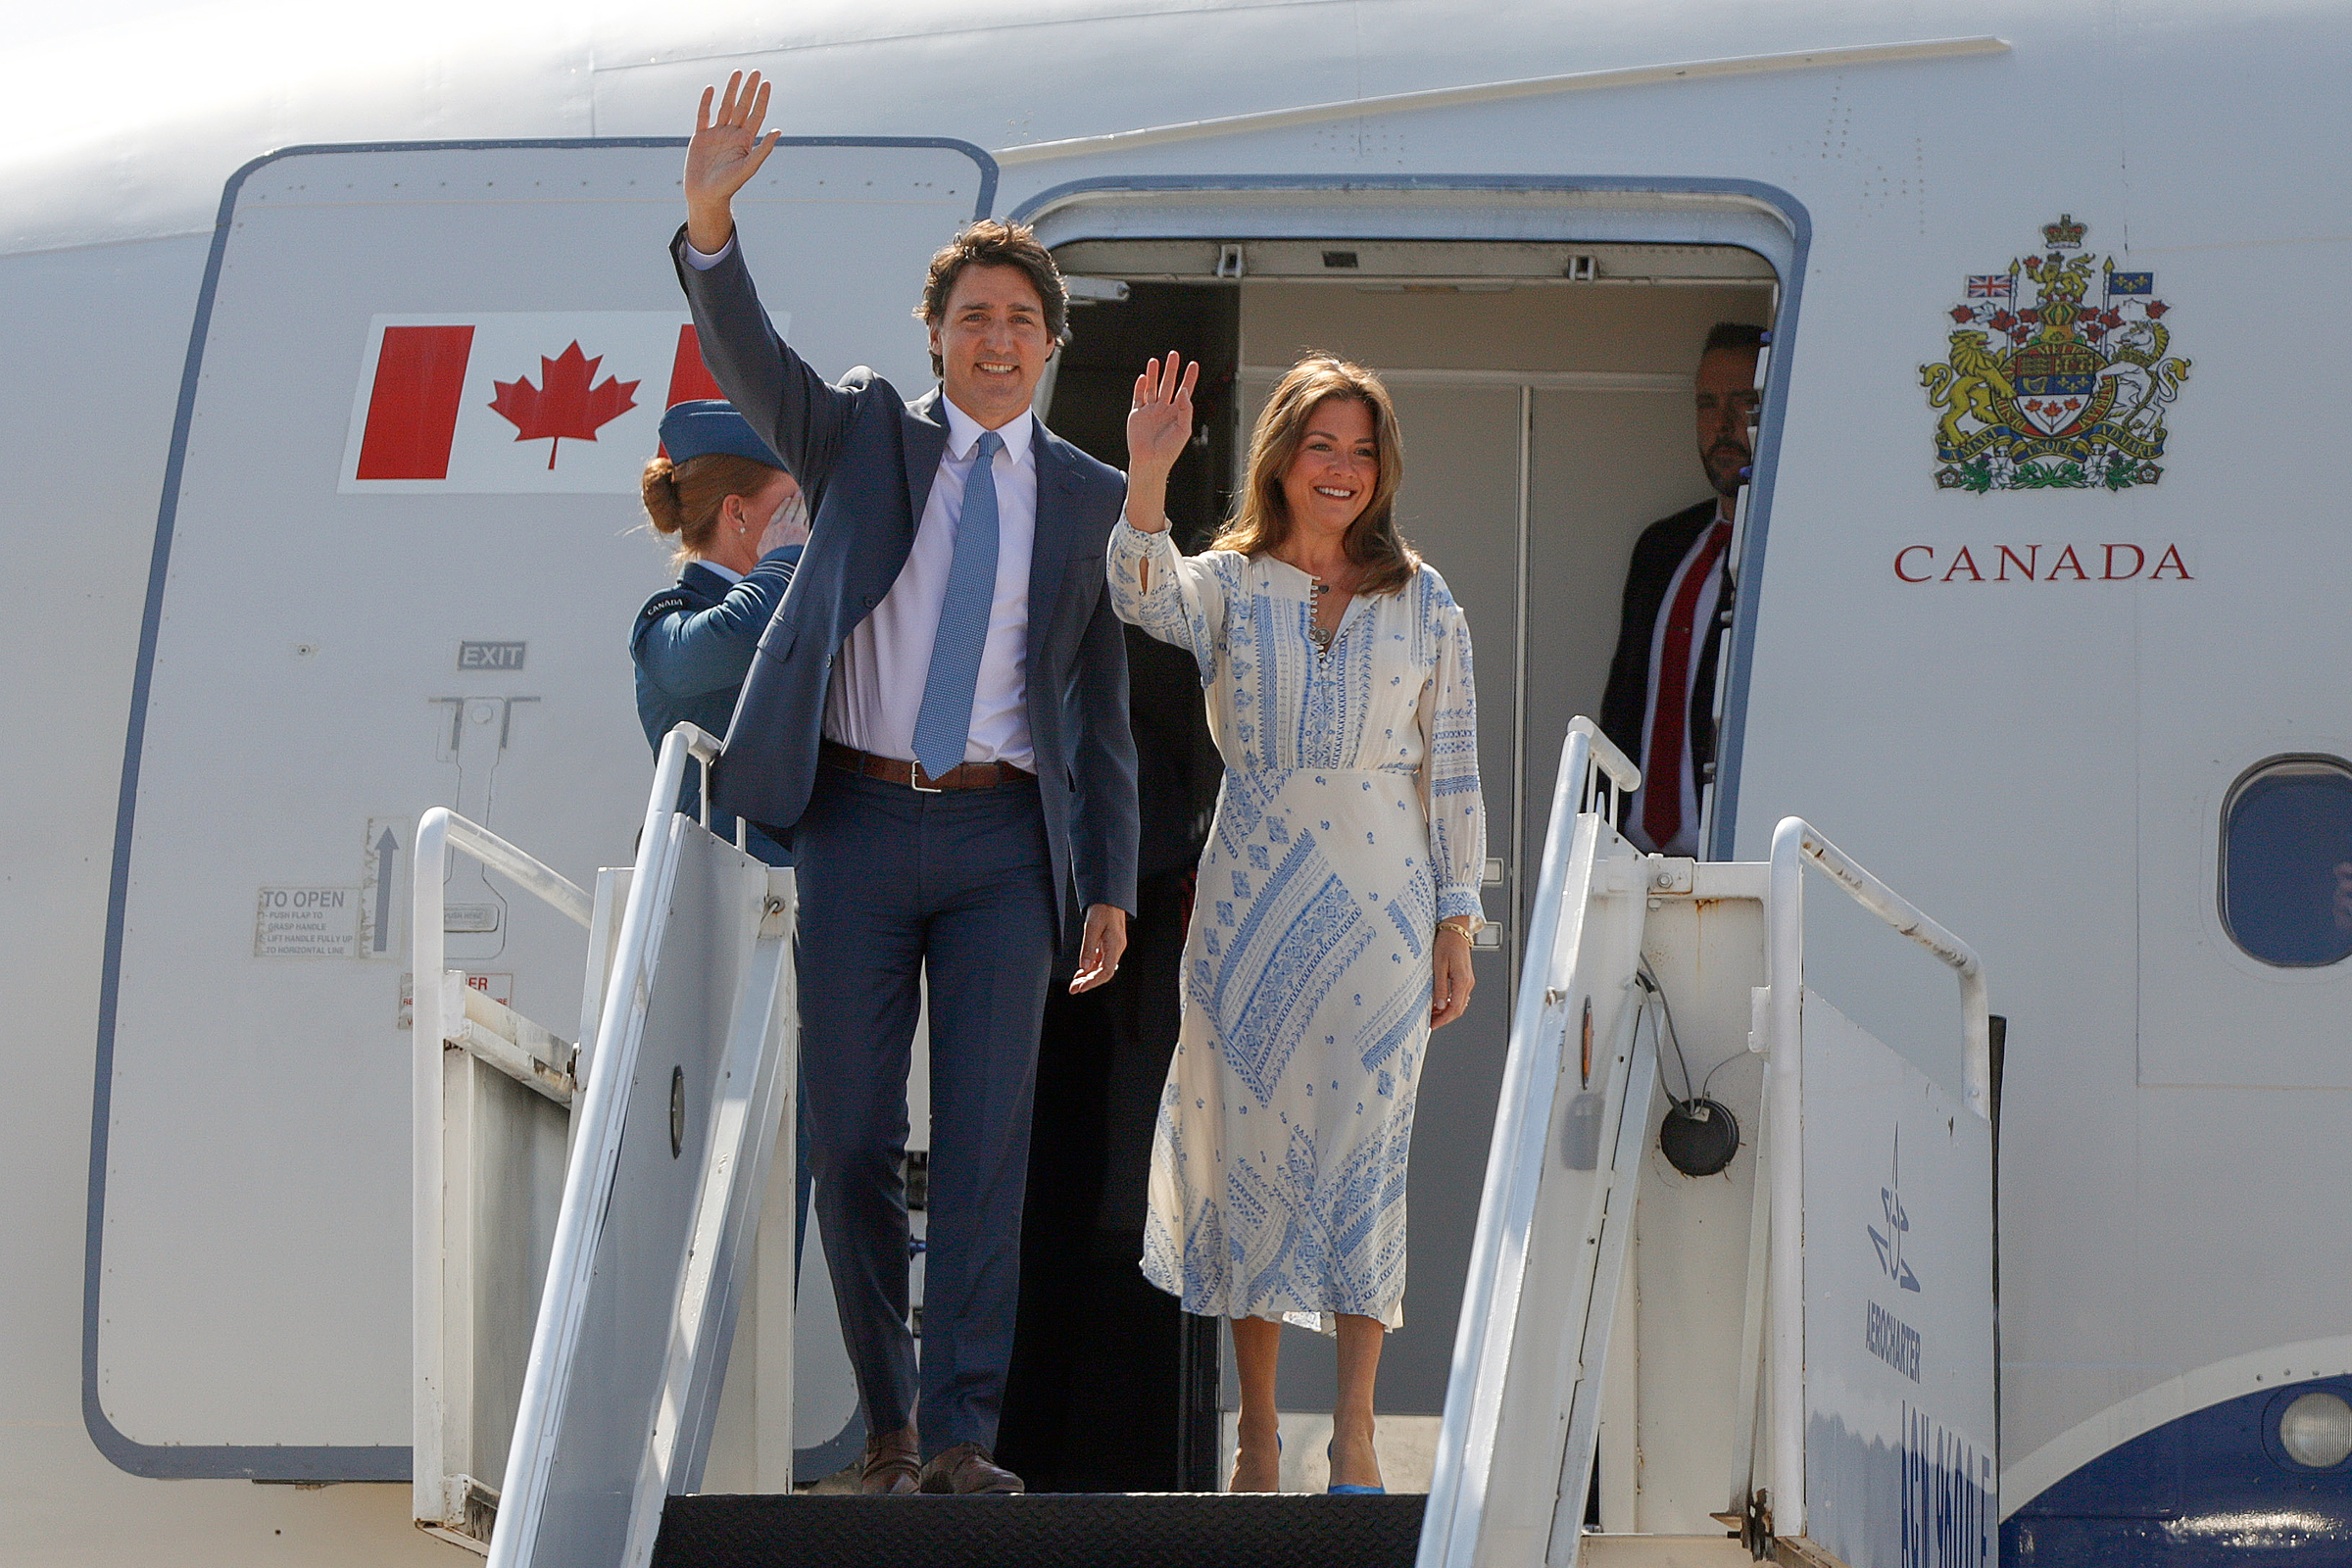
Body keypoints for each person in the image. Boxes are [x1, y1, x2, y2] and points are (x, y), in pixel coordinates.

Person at [672, 73, 1139, 1497]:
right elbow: (753, 361)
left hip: (1006, 841)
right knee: (860, 1134)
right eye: (971, 319)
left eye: (1020, 321)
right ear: (935, 337)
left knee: (987, 1145)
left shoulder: (1087, 496)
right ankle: (886, 1420)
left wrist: (1108, 880)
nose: (995, 341)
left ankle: (960, 1440)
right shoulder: (867, 432)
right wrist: (708, 226)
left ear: (1052, 348)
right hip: (861, 824)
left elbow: (1101, 709)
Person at [1108, 350, 1487, 1494]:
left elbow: (1454, 771)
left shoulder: (1426, 599)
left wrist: (1458, 922)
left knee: (1367, 1160)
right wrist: (1148, 472)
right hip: (1250, 901)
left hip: (1383, 909)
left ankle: (1357, 1434)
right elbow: (1135, 588)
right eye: (1322, 444)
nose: (1343, 468)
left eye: (1362, 449)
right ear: (1281, 458)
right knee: (1245, 1158)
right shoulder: (1225, 583)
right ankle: (1258, 1431)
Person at [1598, 321, 1766, 857]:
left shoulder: (1794, 553)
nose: (1723, 424)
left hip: (1742, 857)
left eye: (1745, 402)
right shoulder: (1663, 546)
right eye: (1707, 404)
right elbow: (1624, 701)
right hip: (1635, 857)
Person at [630, 399, 808, 864]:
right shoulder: (667, 623)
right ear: (738, 514)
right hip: (726, 892)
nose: (810, 521)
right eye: (793, 504)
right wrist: (782, 559)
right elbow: (737, 636)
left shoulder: (802, 606)